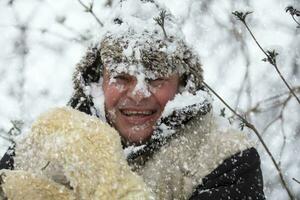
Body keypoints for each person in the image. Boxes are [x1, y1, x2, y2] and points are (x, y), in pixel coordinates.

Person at [0, 0, 265, 199]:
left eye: (156, 79)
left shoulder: (227, 157)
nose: (139, 93)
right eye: (121, 78)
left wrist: (103, 173)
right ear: (97, 81)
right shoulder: (51, 137)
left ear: (184, 83)